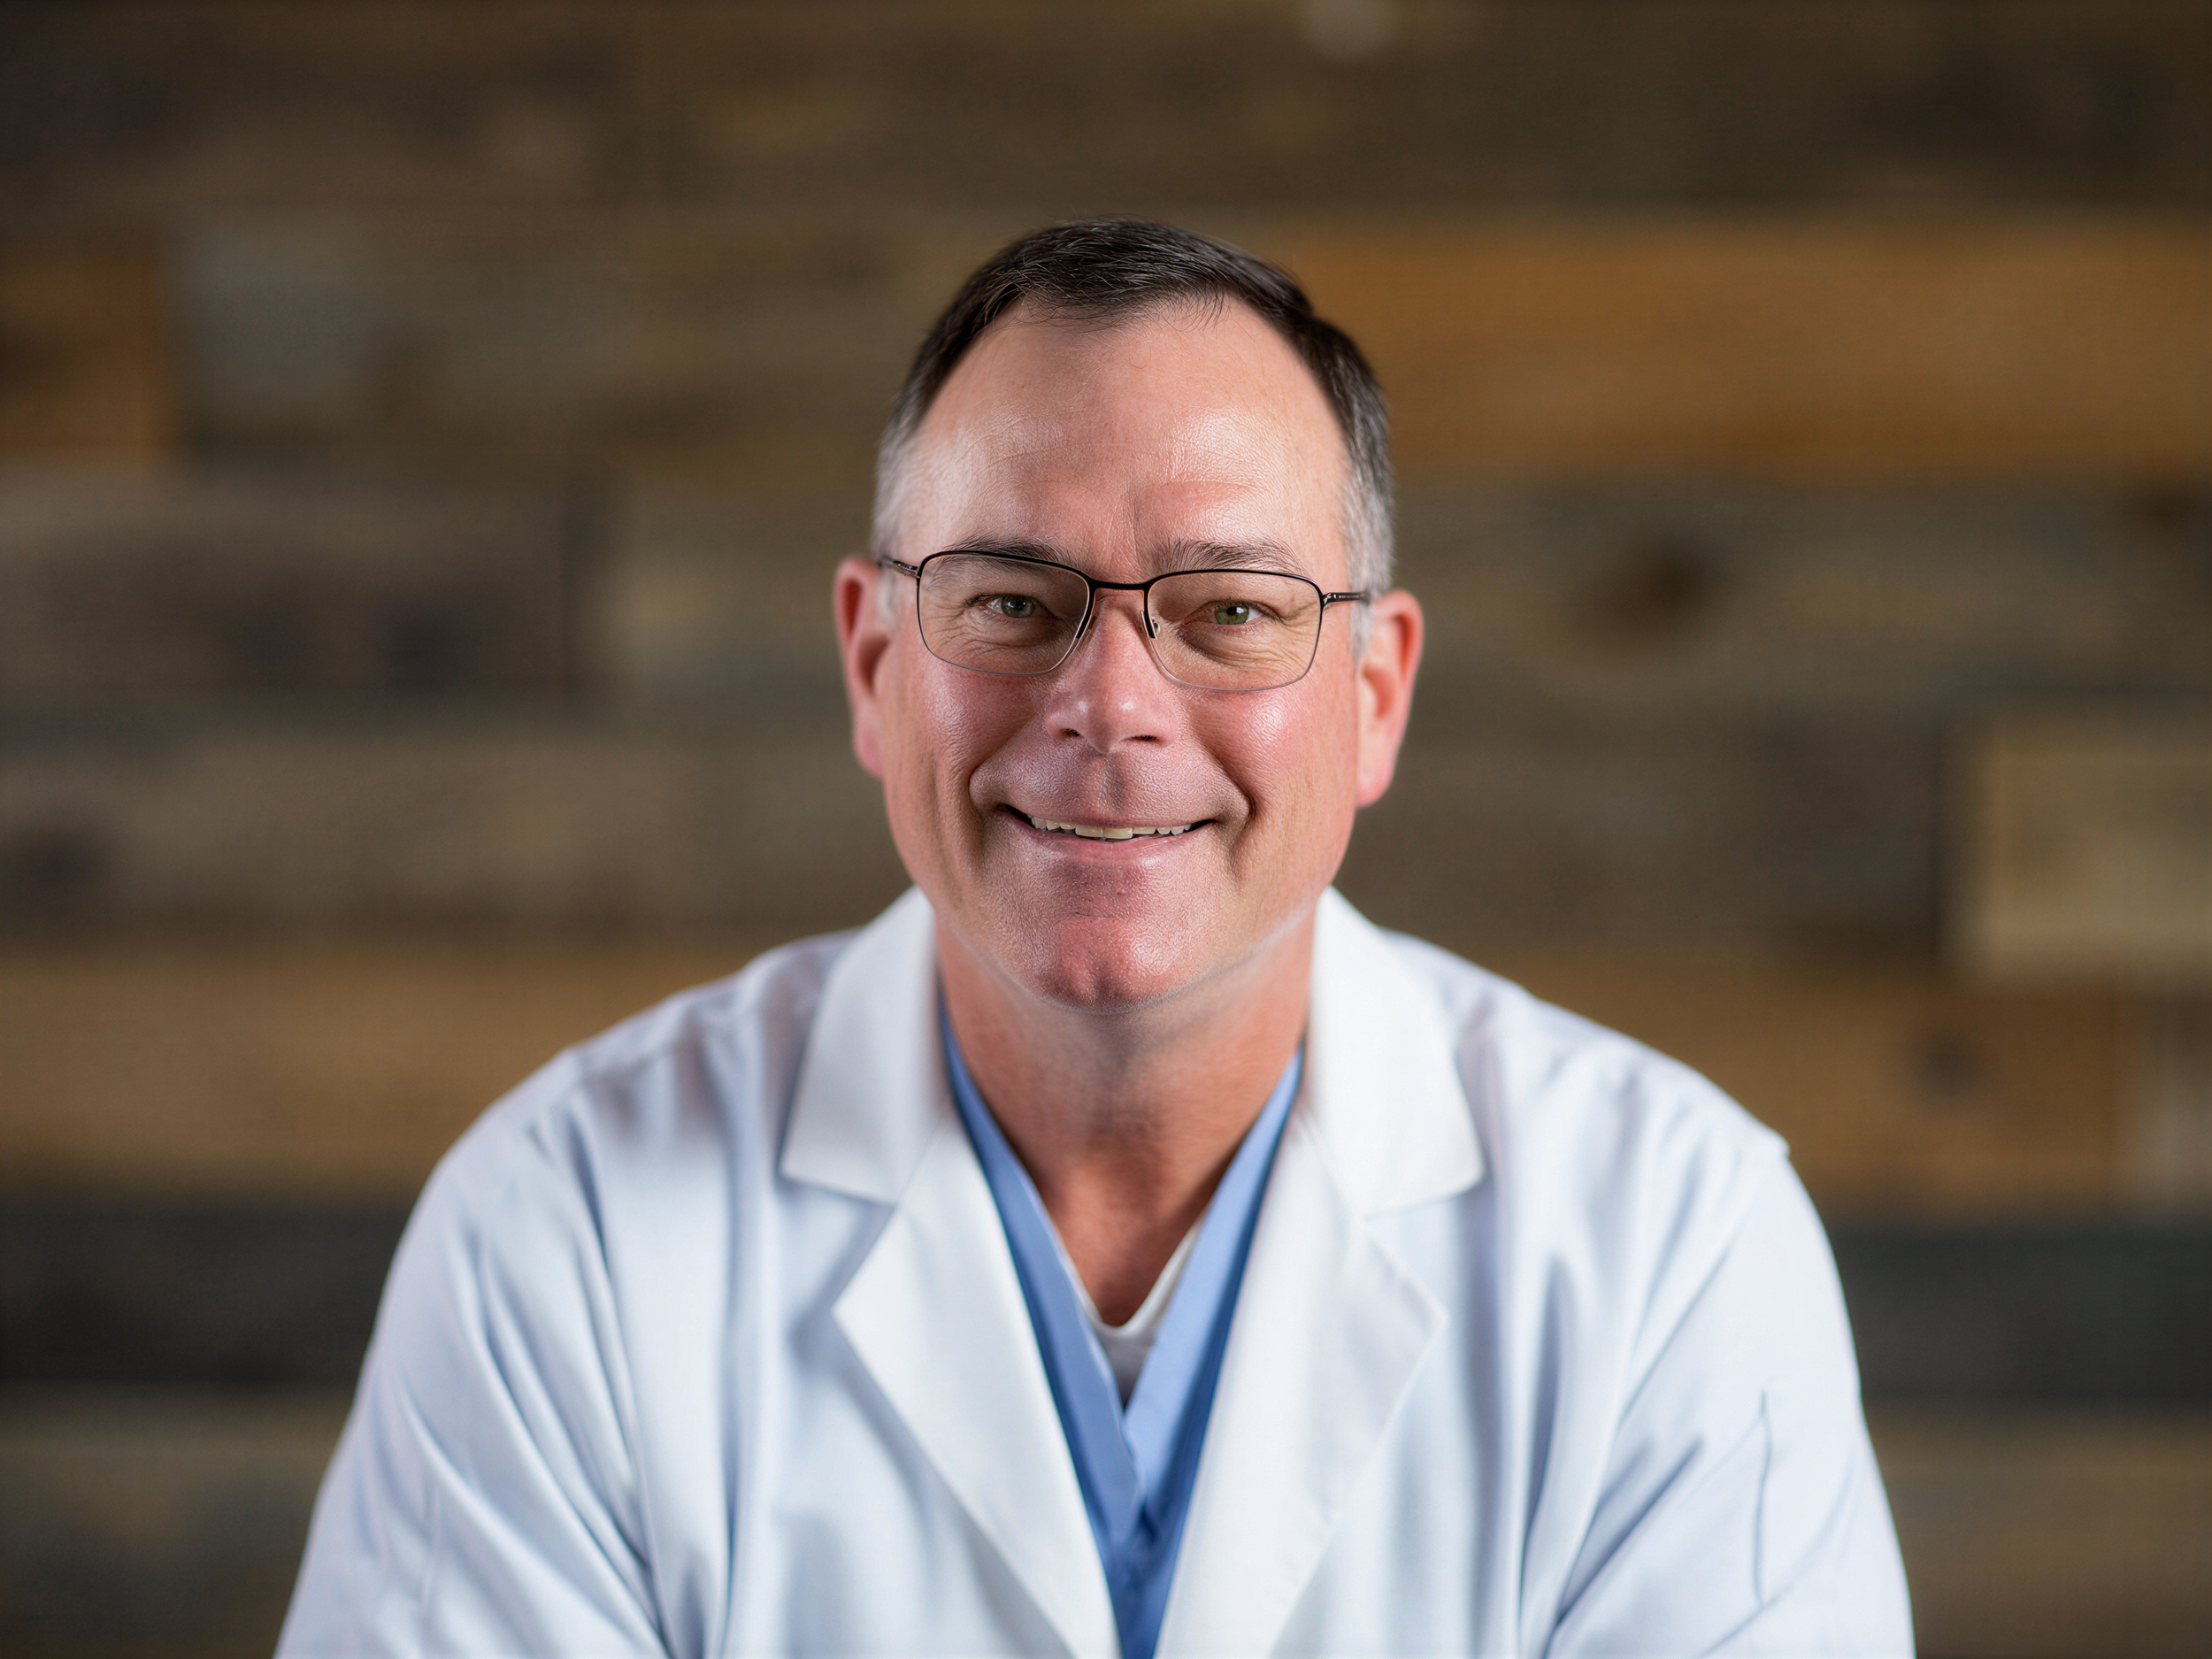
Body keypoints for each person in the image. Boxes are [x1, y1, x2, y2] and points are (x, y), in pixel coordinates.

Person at [280, 219, 1913, 1658]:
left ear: (1375, 693)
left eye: (1231, 611)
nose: (1112, 706)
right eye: (1007, 600)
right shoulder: (556, 1235)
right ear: (869, 664)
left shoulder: (1675, 1248)